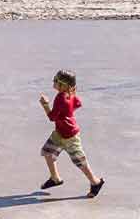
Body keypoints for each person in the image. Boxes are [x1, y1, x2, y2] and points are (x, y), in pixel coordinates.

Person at [38, 69, 105, 197]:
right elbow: (78, 104)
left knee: (79, 161)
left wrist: (45, 105)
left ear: (64, 86)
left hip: (70, 136)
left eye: (56, 81)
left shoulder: (60, 98)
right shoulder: (70, 95)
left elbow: (52, 117)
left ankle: (95, 182)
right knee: (48, 152)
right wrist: (67, 113)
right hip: (60, 132)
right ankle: (55, 178)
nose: (54, 82)